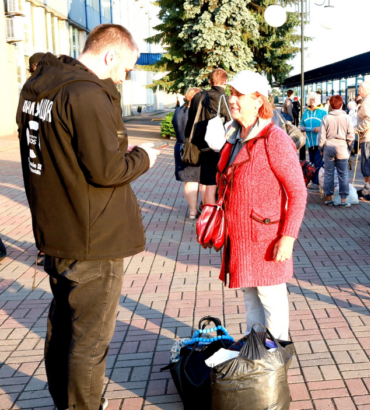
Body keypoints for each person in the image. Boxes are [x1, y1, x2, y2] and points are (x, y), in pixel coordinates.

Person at [16, 24, 160, 410]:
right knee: (90, 340)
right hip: (93, 238)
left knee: (62, 328)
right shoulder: (86, 94)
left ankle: (65, 399)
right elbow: (108, 170)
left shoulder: (39, 89)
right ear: (110, 56)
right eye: (126, 68)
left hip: (58, 230)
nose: (124, 76)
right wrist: (145, 155)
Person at [218, 70, 307, 340]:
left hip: (266, 237)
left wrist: (289, 237)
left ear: (258, 101)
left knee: (270, 296)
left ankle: (276, 356)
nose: (232, 100)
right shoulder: (234, 136)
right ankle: (254, 348)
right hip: (242, 237)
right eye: (231, 94)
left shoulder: (274, 139)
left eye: (239, 95)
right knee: (250, 294)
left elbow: (298, 192)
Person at [185, 68, 231, 206]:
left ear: (210, 81)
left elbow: (191, 121)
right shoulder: (226, 99)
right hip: (222, 146)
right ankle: (217, 212)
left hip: (202, 146)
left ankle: (207, 212)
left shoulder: (198, 97)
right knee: (220, 182)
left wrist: (189, 140)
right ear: (225, 82)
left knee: (207, 182)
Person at [173, 87, 205, 219]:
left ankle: (192, 211)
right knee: (203, 181)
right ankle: (205, 211)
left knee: (189, 181)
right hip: (196, 150)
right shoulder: (198, 113)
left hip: (181, 148)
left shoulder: (178, 111)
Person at [318, 95, 355, 207]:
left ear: (330, 104)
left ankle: (329, 198)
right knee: (343, 174)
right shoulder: (347, 118)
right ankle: (343, 200)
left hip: (329, 146)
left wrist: (321, 148)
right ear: (341, 104)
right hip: (342, 146)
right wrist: (349, 148)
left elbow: (321, 137)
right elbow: (351, 136)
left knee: (329, 173)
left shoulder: (326, 118)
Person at [300, 92, 327, 187]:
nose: (313, 101)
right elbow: (301, 123)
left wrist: (320, 129)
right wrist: (302, 127)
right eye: (312, 99)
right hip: (309, 142)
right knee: (311, 163)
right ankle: (314, 181)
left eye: (315, 99)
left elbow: (327, 125)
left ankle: (317, 182)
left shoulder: (323, 112)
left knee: (317, 162)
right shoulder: (306, 112)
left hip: (319, 142)